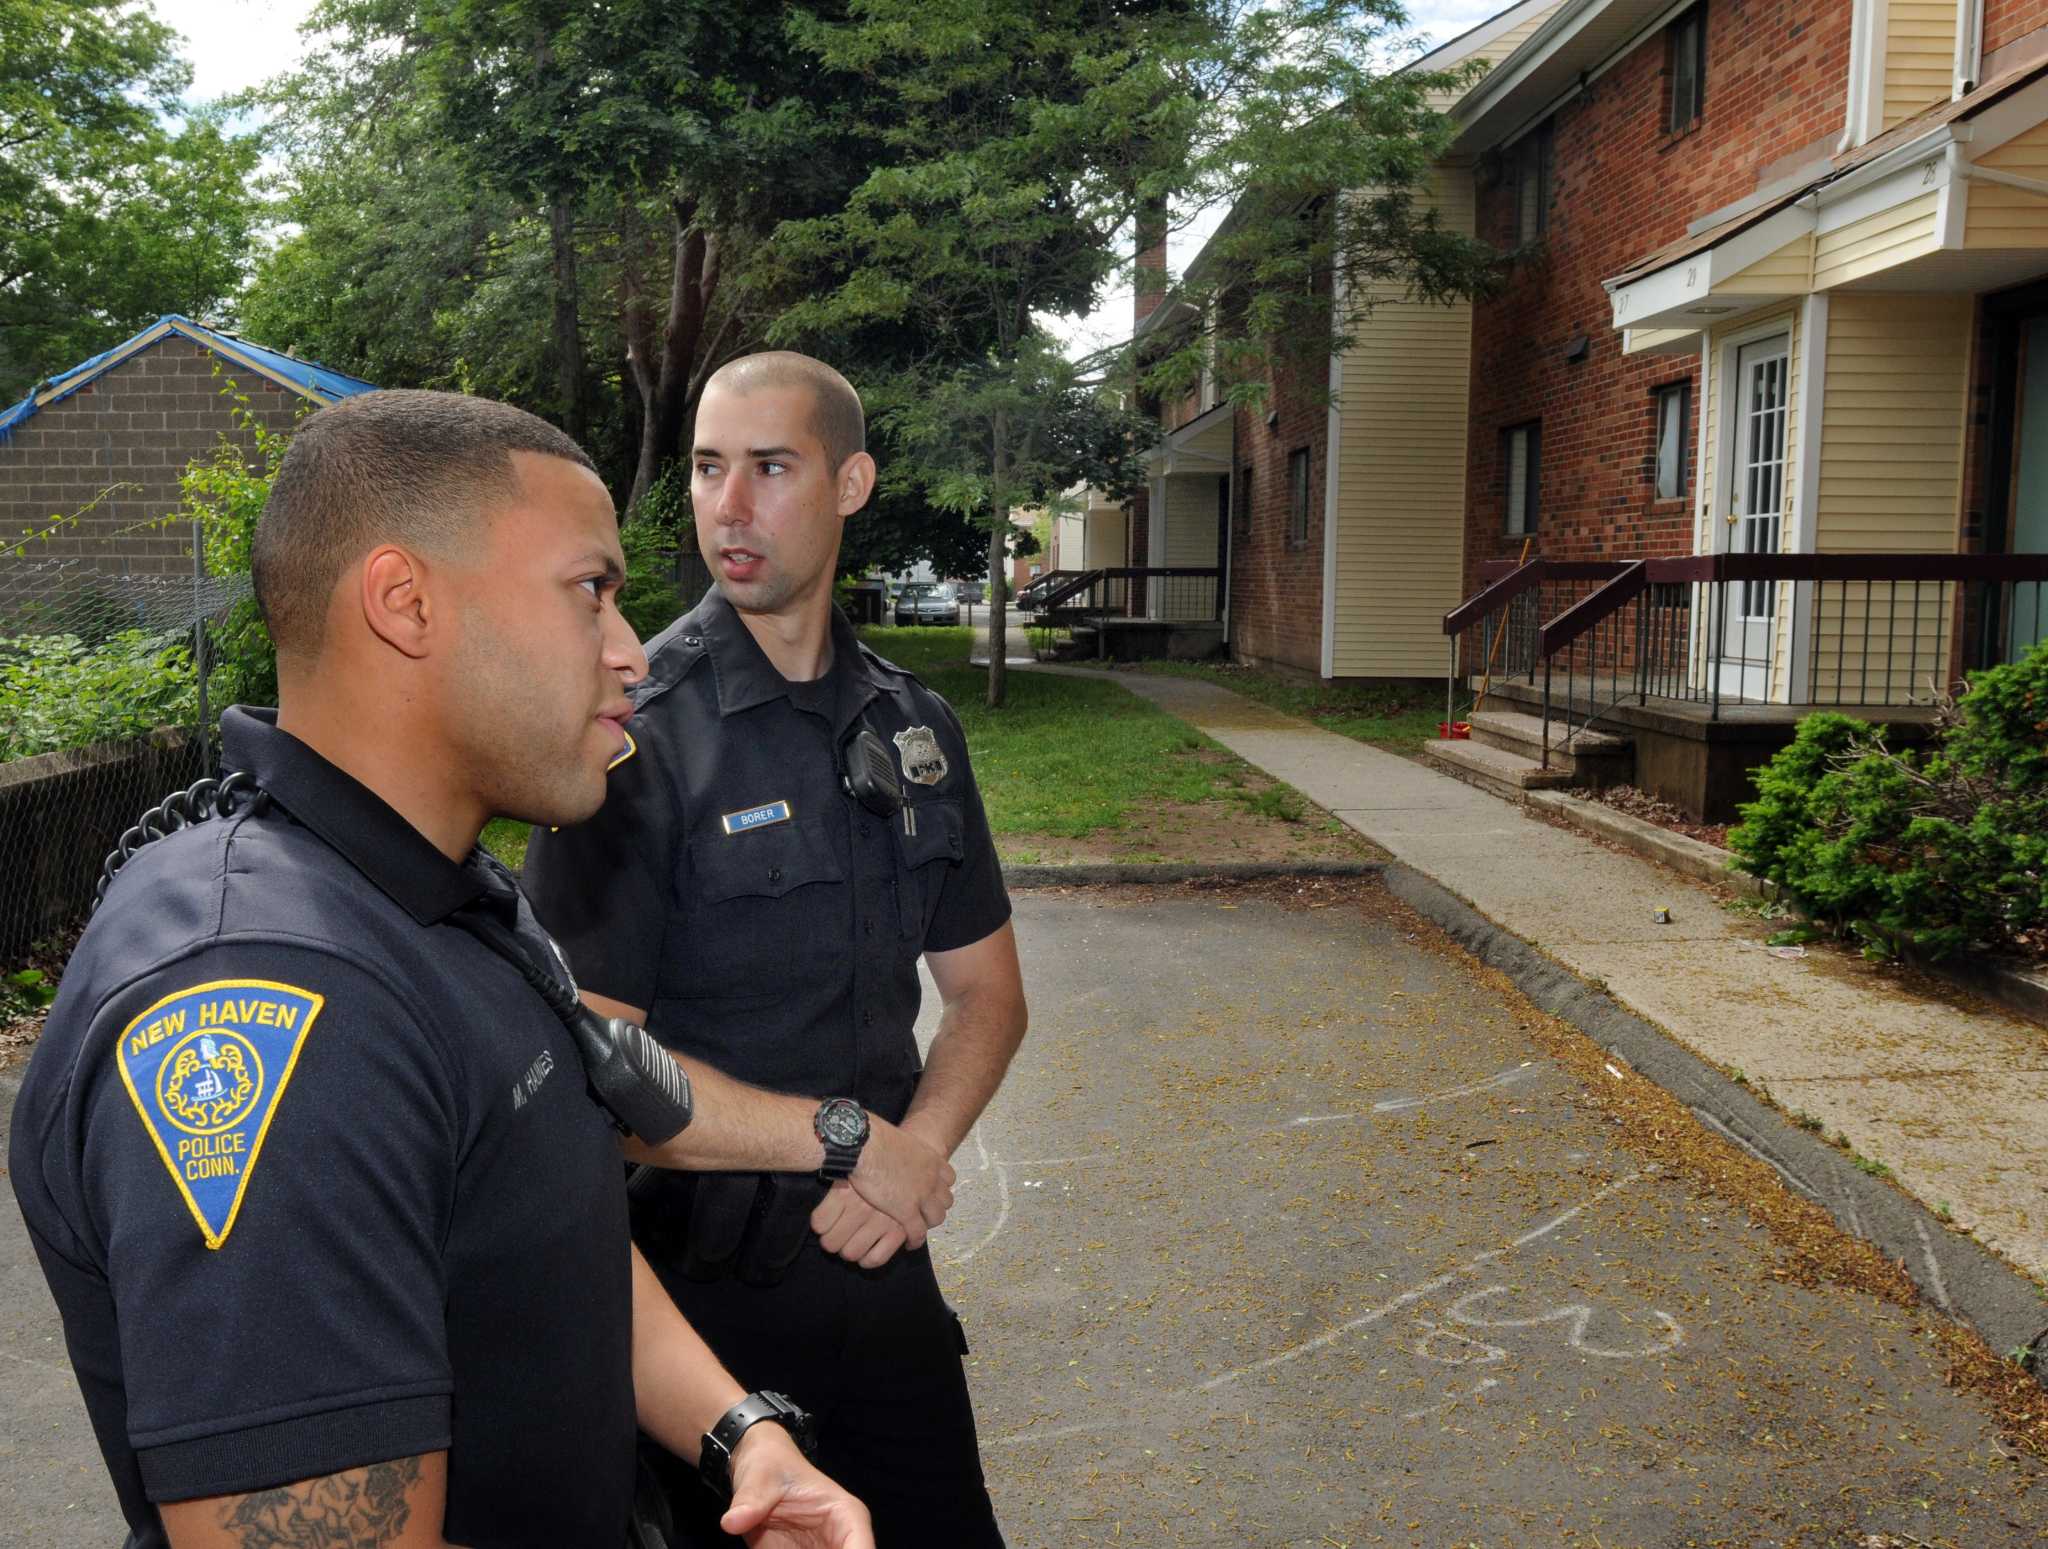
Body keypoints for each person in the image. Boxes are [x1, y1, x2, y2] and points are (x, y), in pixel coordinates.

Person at [8, 390, 874, 1549]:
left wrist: (740, 1436)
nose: (629, 652)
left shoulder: (421, 888)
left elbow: (533, 1228)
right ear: (405, 603)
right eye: (590, 590)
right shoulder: (286, 1007)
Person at [523, 352, 1028, 1546]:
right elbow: (590, 1077)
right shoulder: (631, 736)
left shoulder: (913, 723)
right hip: (695, 1316)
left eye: (769, 468)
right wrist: (857, 1144)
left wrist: (913, 1156)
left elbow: (987, 995)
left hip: (878, 1275)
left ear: (850, 482)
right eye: (707, 468)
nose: (728, 507)